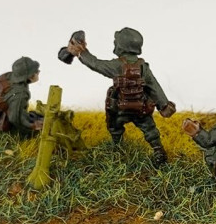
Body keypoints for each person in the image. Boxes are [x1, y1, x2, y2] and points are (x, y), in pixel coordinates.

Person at [65, 28, 176, 166]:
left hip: (120, 110)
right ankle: (159, 152)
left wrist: (81, 52)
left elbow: (96, 64)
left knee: (114, 127)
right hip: (141, 109)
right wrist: (163, 105)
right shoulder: (143, 67)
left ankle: (117, 148)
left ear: (122, 46)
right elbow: (154, 86)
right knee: (150, 130)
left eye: (116, 42)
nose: (115, 44)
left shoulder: (117, 65)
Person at [0, 56, 43, 137]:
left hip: (3, 113)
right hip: (10, 124)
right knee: (39, 127)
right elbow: (15, 119)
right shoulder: (20, 94)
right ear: (30, 76)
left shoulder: (7, 76)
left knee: (35, 116)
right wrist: (32, 127)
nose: (38, 72)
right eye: (36, 72)